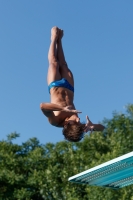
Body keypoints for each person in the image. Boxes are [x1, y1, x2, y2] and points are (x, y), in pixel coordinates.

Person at [40, 27, 105, 142]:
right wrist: (93, 126)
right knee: (64, 64)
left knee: (54, 63)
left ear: (66, 124)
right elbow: (103, 128)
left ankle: (54, 38)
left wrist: (62, 108)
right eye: (80, 123)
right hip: (69, 87)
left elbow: (43, 106)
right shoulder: (78, 127)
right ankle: (60, 40)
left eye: (75, 122)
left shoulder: (55, 120)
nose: (79, 120)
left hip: (55, 85)